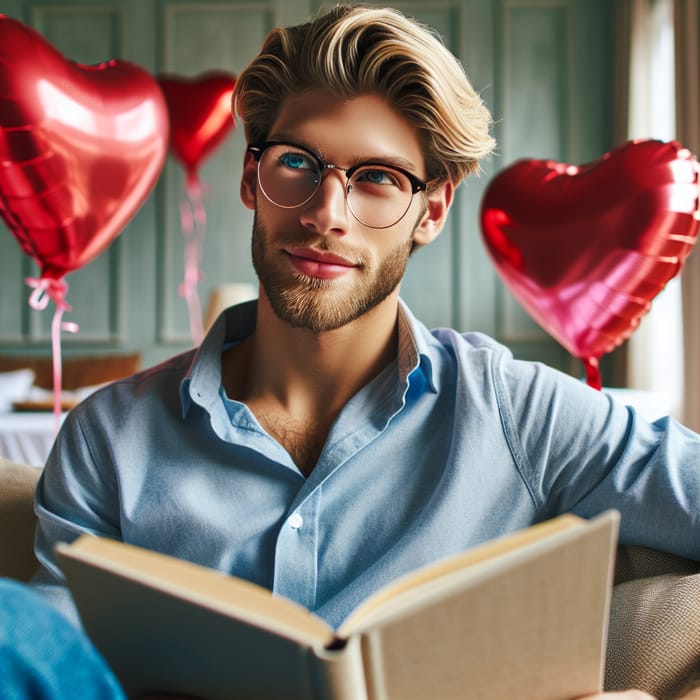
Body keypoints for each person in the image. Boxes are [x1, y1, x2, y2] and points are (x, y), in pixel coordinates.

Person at [2, 3, 699, 698]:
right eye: (296, 163)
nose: (326, 213)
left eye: (378, 179)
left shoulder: (519, 413)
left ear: (430, 212)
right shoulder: (109, 437)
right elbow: (52, 669)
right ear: (252, 180)